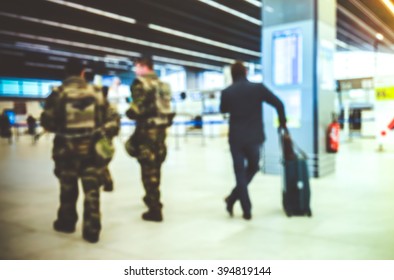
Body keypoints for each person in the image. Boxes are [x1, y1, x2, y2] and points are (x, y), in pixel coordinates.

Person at [40, 59, 118, 243]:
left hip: (66, 152)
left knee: (67, 189)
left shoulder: (57, 94)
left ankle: (66, 223)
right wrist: (101, 134)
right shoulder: (97, 92)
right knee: (92, 191)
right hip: (92, 152)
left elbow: (47, 122)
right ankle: (92, 230)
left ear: (66, 73)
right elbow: (113, 118)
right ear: (83, 72)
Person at [220, 61, 287, 220]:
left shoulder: (227, 92)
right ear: (246, 72)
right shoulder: (258, 88)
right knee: (253, 167)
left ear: (232, 74)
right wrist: (282, 122)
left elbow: (223, 110)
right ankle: (241, 205)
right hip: (254, 138)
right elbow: (279, 104)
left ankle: (237, 202)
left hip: (236, 138)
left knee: (239, 173)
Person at [125, 57, 174, 222]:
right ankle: (151, 197)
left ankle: (154, 208)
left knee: (147, 168)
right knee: (156, 165)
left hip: (146, 131)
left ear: (143, 66)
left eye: (137, 67)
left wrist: (129, 113)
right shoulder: (164, 85)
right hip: (161, 131)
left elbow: (137, 109)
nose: (135, 71)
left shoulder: (140, 83)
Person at [101, 85, 120, 192]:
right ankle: (104, 182)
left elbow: (114, 124)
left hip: (105, 137)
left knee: (101, 161)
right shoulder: (111, 106)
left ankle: (108, 182)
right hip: (108, 137)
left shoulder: (104, 106)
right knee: (102, 161)